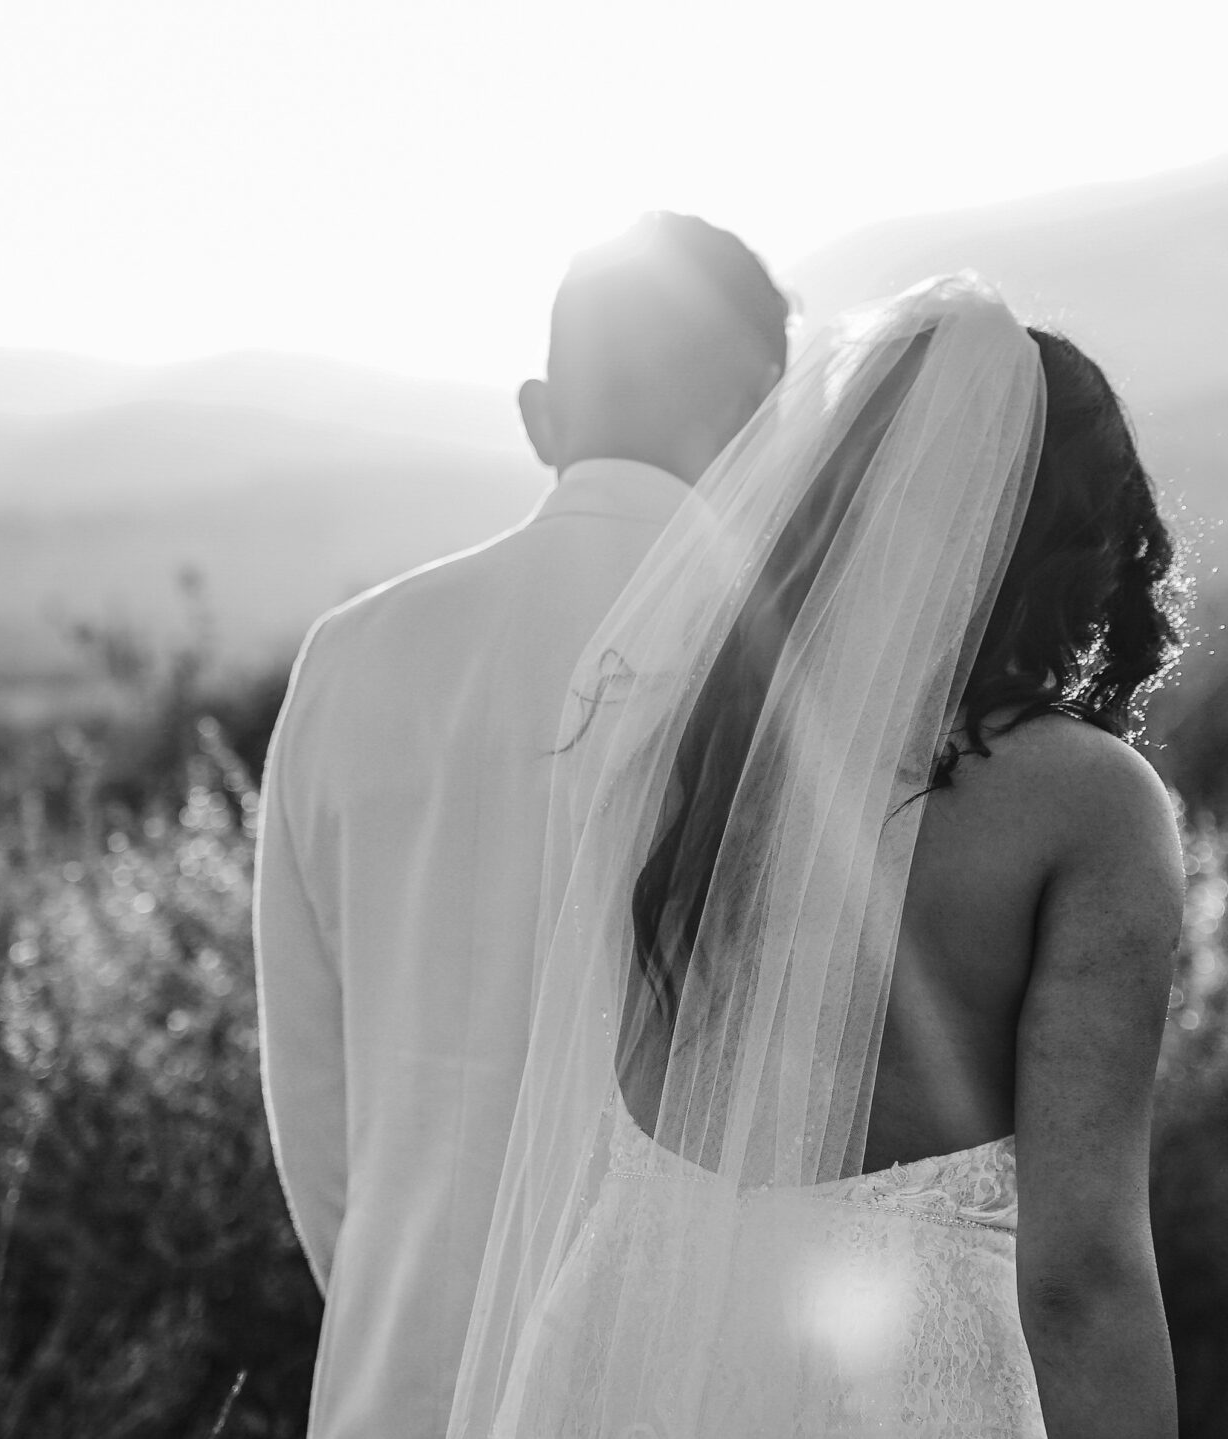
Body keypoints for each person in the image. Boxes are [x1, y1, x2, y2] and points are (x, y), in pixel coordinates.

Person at [450, 277, 1187, 1438]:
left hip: (619, 1328)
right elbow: (1081, 1270)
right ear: (1083, 541)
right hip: (891, 1378)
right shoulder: (1086, 802)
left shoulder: (687, 731)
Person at [254, 213, 790, 1439]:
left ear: (541, 416)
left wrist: (421, 1316)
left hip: (397, 1373)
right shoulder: (790, 669)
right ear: (769, 418)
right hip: (685, 1383)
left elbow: (313, 1095)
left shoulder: (350, 657)